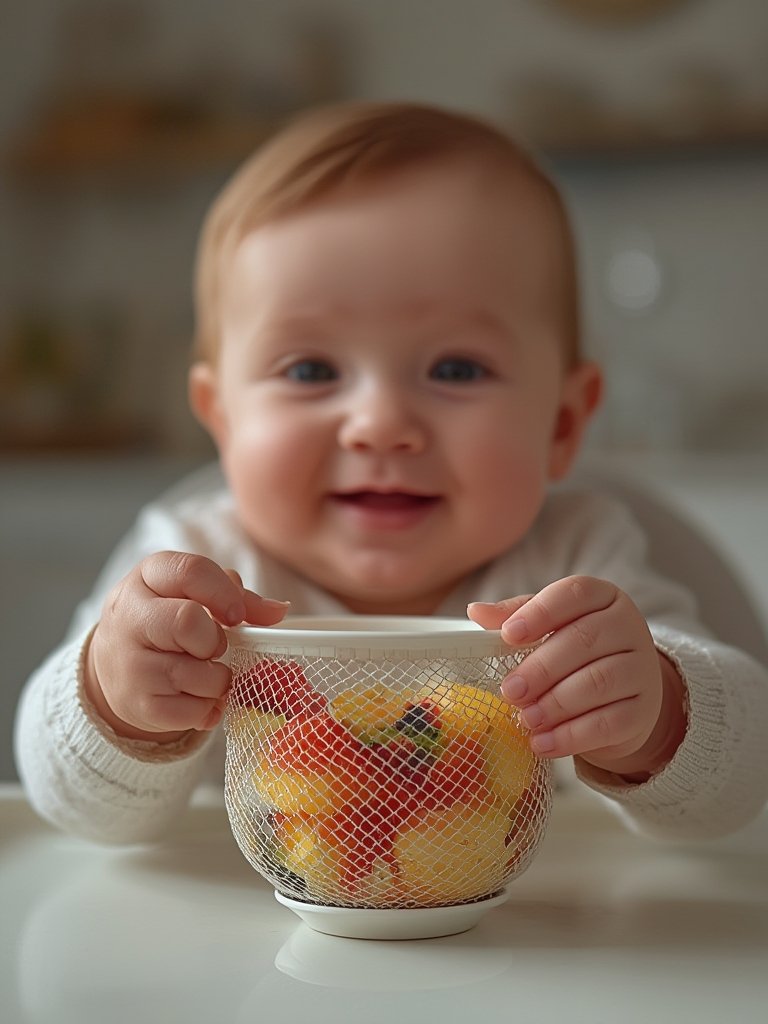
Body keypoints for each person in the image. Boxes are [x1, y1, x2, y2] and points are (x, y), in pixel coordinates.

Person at [15, 101, 768, 846]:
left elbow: (742, 785)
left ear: (563, 424)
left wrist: (656, 714)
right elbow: (69, 806)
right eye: (310, 369)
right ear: (223, 419)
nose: (379, 423)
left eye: (456, 368)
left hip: (545, 951)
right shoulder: (198, 574)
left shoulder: (578, 561)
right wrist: (112, 702)